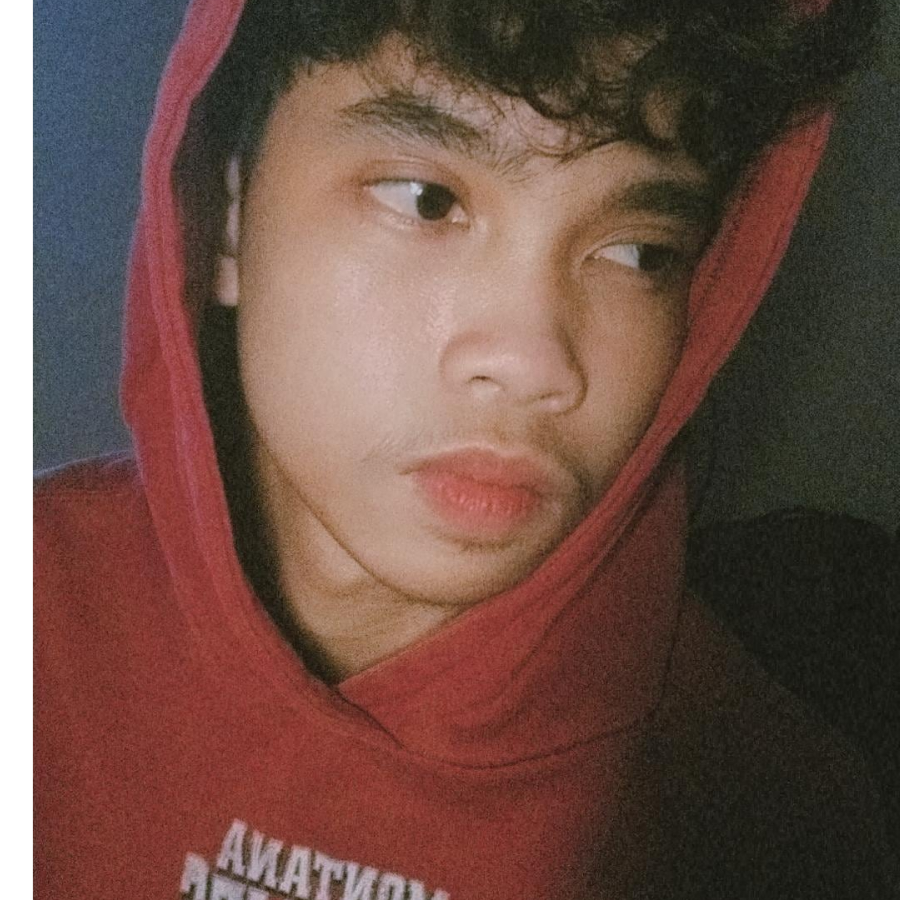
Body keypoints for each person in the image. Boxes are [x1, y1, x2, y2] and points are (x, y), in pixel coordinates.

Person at [32, 0, 892, 897]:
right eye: (426, 200)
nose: (534, 363)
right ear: (227, 216)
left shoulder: (766, 813)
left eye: (639, 251)